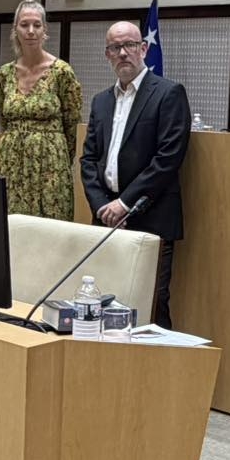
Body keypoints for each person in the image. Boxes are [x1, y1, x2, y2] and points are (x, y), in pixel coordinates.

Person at [80, 21, 191, 328]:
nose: (123, 53)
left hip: (150, 217)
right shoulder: (101, 101)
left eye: (129, 45)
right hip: (106, 219)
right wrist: (102, 207)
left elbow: (168, 158)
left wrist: (124, 204)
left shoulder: (168, 93)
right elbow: (89, 160)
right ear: (107, 55)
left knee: (150, 307)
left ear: (143, 49)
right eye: (115, 48)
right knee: (105, 304)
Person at [0, 0, 83, 220]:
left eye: (37, 25)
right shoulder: (4, 74)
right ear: (16, 29)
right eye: (24, 25)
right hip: (11, 163)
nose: (31, 31)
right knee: (9, 224)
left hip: (50, 165)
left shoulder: (61, 72)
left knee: (50, 227)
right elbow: (4, 121)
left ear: (45, 30)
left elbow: (72, 125)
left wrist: (54, 155)